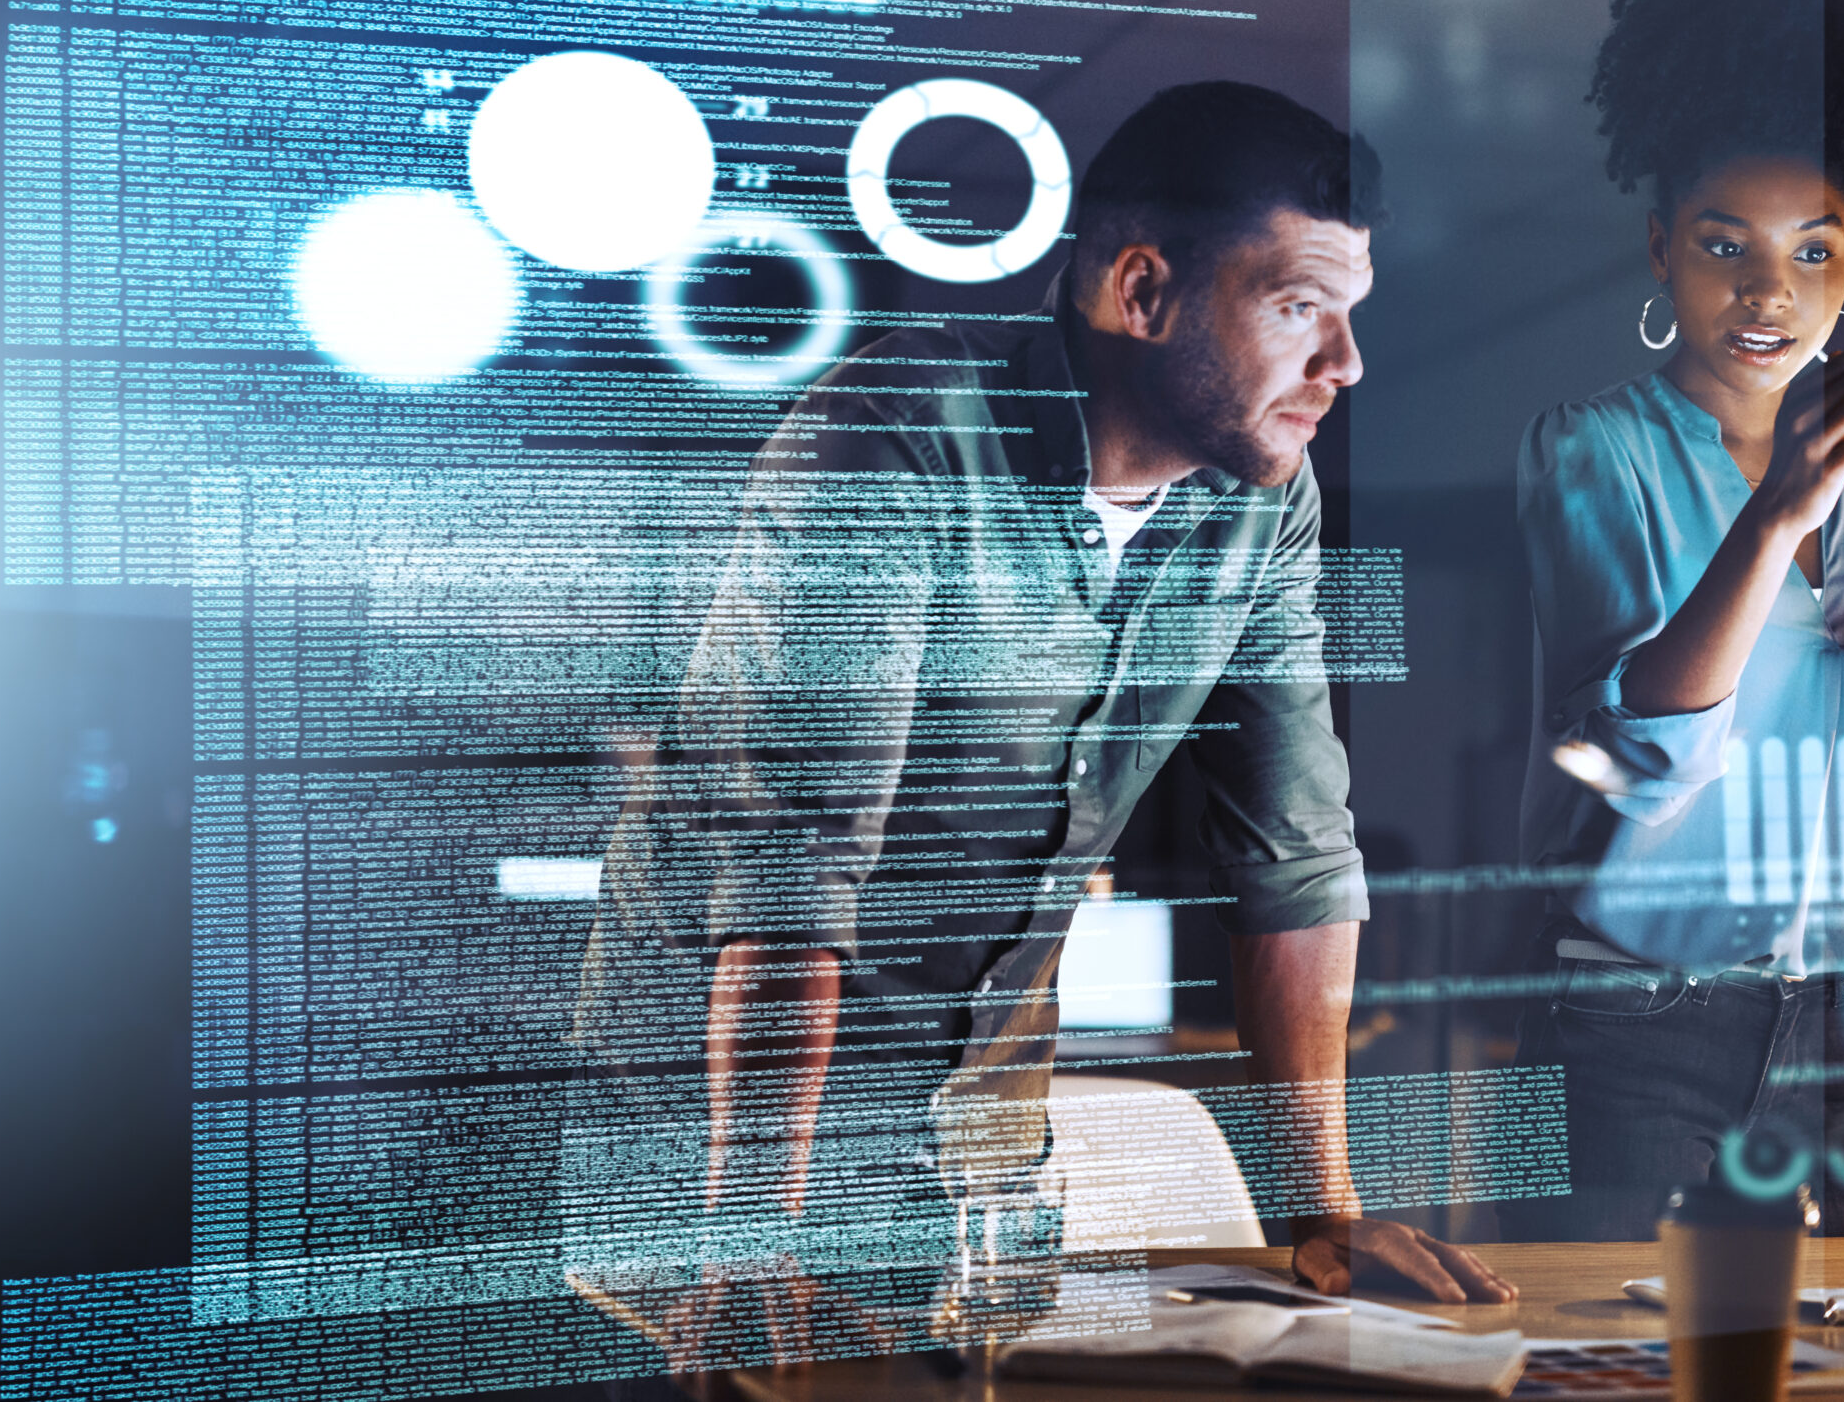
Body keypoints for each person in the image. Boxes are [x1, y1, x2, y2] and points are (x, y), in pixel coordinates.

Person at [574, 80, 1513, 1378]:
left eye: (1351, 316)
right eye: (1300, 307)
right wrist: (747, 1233)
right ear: (1142, 292)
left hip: (976, 1164)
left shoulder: (1258, 503)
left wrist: (1325, 1218)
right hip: (714, 1158)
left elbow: (1295, 859)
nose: (1345, 363)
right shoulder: (889, 435)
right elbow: (793, 872)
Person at [1501, 0, 1844, 1242]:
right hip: (1645, 1021)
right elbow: (1633, 769)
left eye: (1810, 252)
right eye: (1726, 246)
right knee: (1610, 1365)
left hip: (1843, 1016)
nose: (1769, 292)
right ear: (1661, 248)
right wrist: (1776, 520)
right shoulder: (1589, 450)